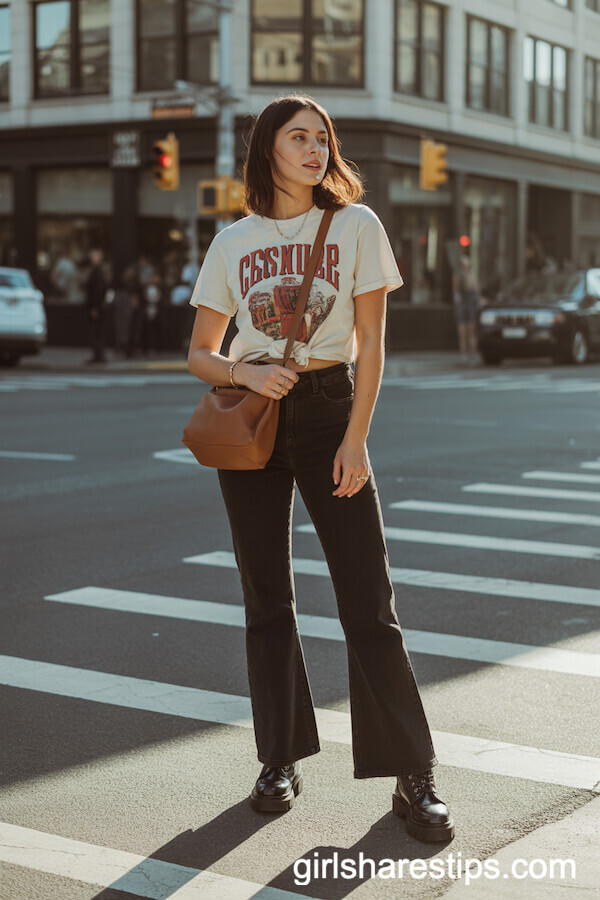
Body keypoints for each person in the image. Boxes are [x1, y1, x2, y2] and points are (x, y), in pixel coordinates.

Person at [187, 95, 454, 844]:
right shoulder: (233, 240)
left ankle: (414, 774)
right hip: (257, 422)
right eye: (298, 137)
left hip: (332, 410)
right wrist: (244, 373)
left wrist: (357, 437)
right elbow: (200, 352)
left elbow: (371, 342)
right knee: (266, 599)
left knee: (368, 600)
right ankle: (278, 760)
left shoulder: (356, 226)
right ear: (267, 148)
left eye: (321, 139)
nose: (314, 149)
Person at [452, 254, 480, 364]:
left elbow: (475, 289)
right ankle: (464, 354)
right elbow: (456, 290)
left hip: (469, 302)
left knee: (470, 331)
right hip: (463, 302)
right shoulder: (459, 275)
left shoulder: (471, 275)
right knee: (463, 331)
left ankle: (471, 354)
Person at [84, 248, 107, 364]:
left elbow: (98, 290)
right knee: (96, 332)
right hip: (96, 306)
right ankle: (98, 355)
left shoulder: (97, 271)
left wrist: (95, 307)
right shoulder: (97, 270)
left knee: (96, 332)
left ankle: (99, 356)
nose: (92, 257)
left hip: (96, 307)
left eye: (94, 255)